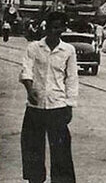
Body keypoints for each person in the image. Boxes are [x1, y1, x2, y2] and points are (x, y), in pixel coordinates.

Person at [20, 11, 78, 183]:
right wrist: (30, 90)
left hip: (58, 106)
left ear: (63, 28)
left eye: (59, 27)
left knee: (60, 148)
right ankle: (35, 179)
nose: (55, 31)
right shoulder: (34, 48)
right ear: (46, 27)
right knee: (32, 145)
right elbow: (26, 71)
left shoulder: (68, 50)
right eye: (53, 27)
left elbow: (72, 79)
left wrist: (69, 105)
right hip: (35, 106)